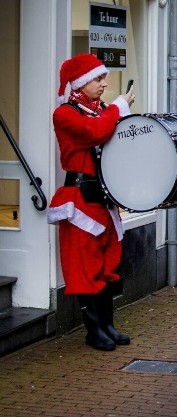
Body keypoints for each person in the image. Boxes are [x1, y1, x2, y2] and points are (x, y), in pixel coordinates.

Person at [46, 53, 135, 351]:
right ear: (81, 83)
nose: (104, 84)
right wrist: (120, 108)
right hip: (80, 199)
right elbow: (93, 133)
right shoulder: (66, 114)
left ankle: (107, 325)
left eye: (103, 78)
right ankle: (93, 331)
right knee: (86, 266)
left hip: (105, 199)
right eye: (97, 79)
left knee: (108, 262)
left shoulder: (105, 111)